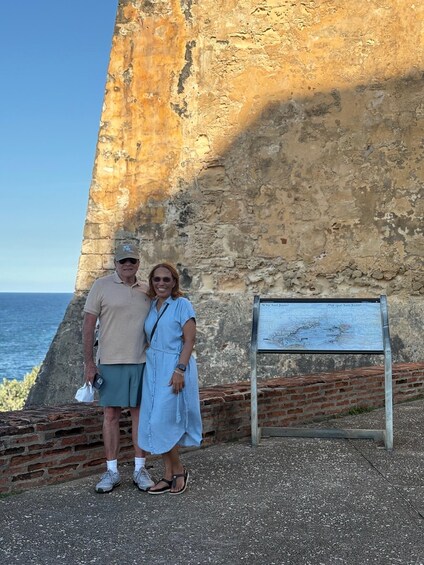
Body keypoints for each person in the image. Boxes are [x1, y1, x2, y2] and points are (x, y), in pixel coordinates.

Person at [83, 242, 155, 494]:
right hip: (110, 362)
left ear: (138, 263)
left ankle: (140, 469)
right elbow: (88, 325)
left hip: (141, 362)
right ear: (115, 263)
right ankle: (112, 471)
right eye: (123, 260)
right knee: (111, 415)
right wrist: (89, 363)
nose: (127, 264)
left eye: (132, 260)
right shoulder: (101, 286)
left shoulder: (147, 290)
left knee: (140, 415)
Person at [138, 262, 202, 495]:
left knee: (162, 420)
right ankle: (168, 474)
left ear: (174, 282)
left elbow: (189, 340)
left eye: (166, 279)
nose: (161, 283)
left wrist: (180, 370)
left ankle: (179, 471)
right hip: (153, 368)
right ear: (152, 282)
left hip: (174, 367)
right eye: (157, 279)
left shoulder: (182, 305)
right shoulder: (152, 305)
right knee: (155, 422)